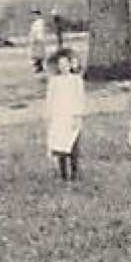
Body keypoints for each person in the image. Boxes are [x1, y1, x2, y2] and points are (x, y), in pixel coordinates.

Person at [44, 49, 85, 181]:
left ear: (71, 64)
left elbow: (79, 98)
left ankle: (74, 172)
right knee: (59, 144)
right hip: (59, 115)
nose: (63, 67)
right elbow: (50, 98)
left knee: (73, 143)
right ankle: (63, 174)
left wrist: (77, 115)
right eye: (60, 64)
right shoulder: (54, 81)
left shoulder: (76, 80)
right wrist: (49, 114)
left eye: (66, 64)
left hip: (71, 114)